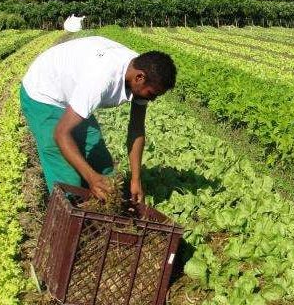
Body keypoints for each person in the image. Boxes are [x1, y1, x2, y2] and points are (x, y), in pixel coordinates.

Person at [20, 35, 177, 203]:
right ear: (139, 78)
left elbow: (136, 129)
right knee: (68, 178)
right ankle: (68, 212)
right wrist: (91, 178)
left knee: (102, 164)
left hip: (73, 92)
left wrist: (135, 180)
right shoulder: (101, 79)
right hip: (44, 93)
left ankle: (102, 207)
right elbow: (61, 133)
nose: (152, 99)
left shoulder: (143, 71)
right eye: (152, 94)